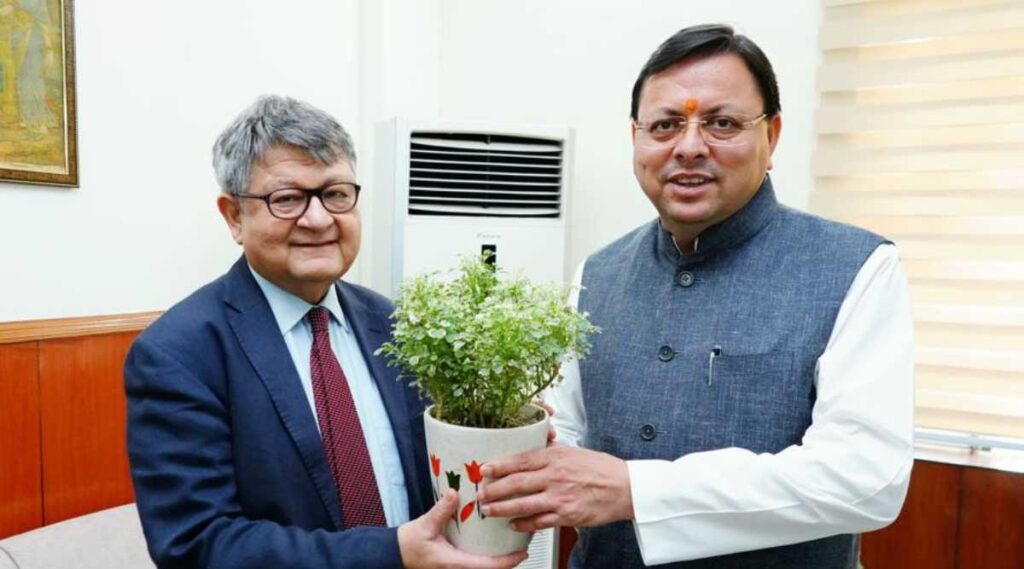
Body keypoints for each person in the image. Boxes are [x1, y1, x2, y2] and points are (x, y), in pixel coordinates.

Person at [477, 24, 914, 568]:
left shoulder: (857, 267)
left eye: (721, 123)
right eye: (665, 125)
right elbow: (569, 431)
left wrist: (637, 491)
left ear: (773, 136)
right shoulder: (599, 271)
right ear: (636, 138)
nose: (688, 147)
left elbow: (864, 479)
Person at [124, 95, 527, 569]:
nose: (318, 219)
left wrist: (503, 438)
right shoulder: (178, 354)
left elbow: (436, 472)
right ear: (234, 216)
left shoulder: (395, 325)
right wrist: (391, 553)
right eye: (286, 199)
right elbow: (196, 545)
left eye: (335, 194)